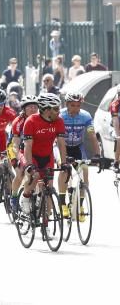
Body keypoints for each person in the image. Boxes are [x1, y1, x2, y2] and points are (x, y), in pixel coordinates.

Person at [19, 93, 67, 215]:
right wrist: (30, 165)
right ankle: (25, 197)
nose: (59, 111)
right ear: (46, 110)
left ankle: (46, 221)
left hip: (47, 156)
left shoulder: (59, 121)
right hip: (32, 155)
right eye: (56, 108)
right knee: (34, 177)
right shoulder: (31, 121)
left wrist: (64, 162)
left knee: (49, 186)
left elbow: (61, 143)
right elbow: (28, 146)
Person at [58, 91, 100, 219]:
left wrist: (98, 155)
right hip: (62, 147)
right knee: (64, 170)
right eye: (72, 105)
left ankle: (80, 205)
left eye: (78, 105)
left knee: (84, 173)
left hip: (77, 147)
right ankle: (62, 203)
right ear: (67, 104)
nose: (76, 108)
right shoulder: (60, 116)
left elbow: (92, 135)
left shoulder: (86, 116)